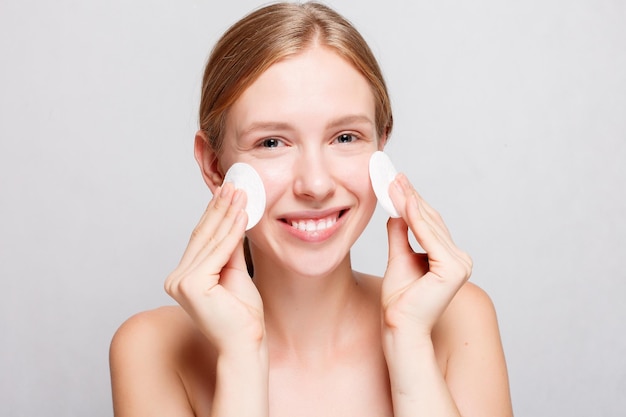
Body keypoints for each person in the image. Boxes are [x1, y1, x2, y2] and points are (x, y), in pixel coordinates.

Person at [109, 2, 513, 416]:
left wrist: (409, 342)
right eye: (271, 143)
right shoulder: (153, 349)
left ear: (381, 145)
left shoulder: (458, 317)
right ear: (214, 164)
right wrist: (241, 356)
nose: (316, 185)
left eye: (345, 137)